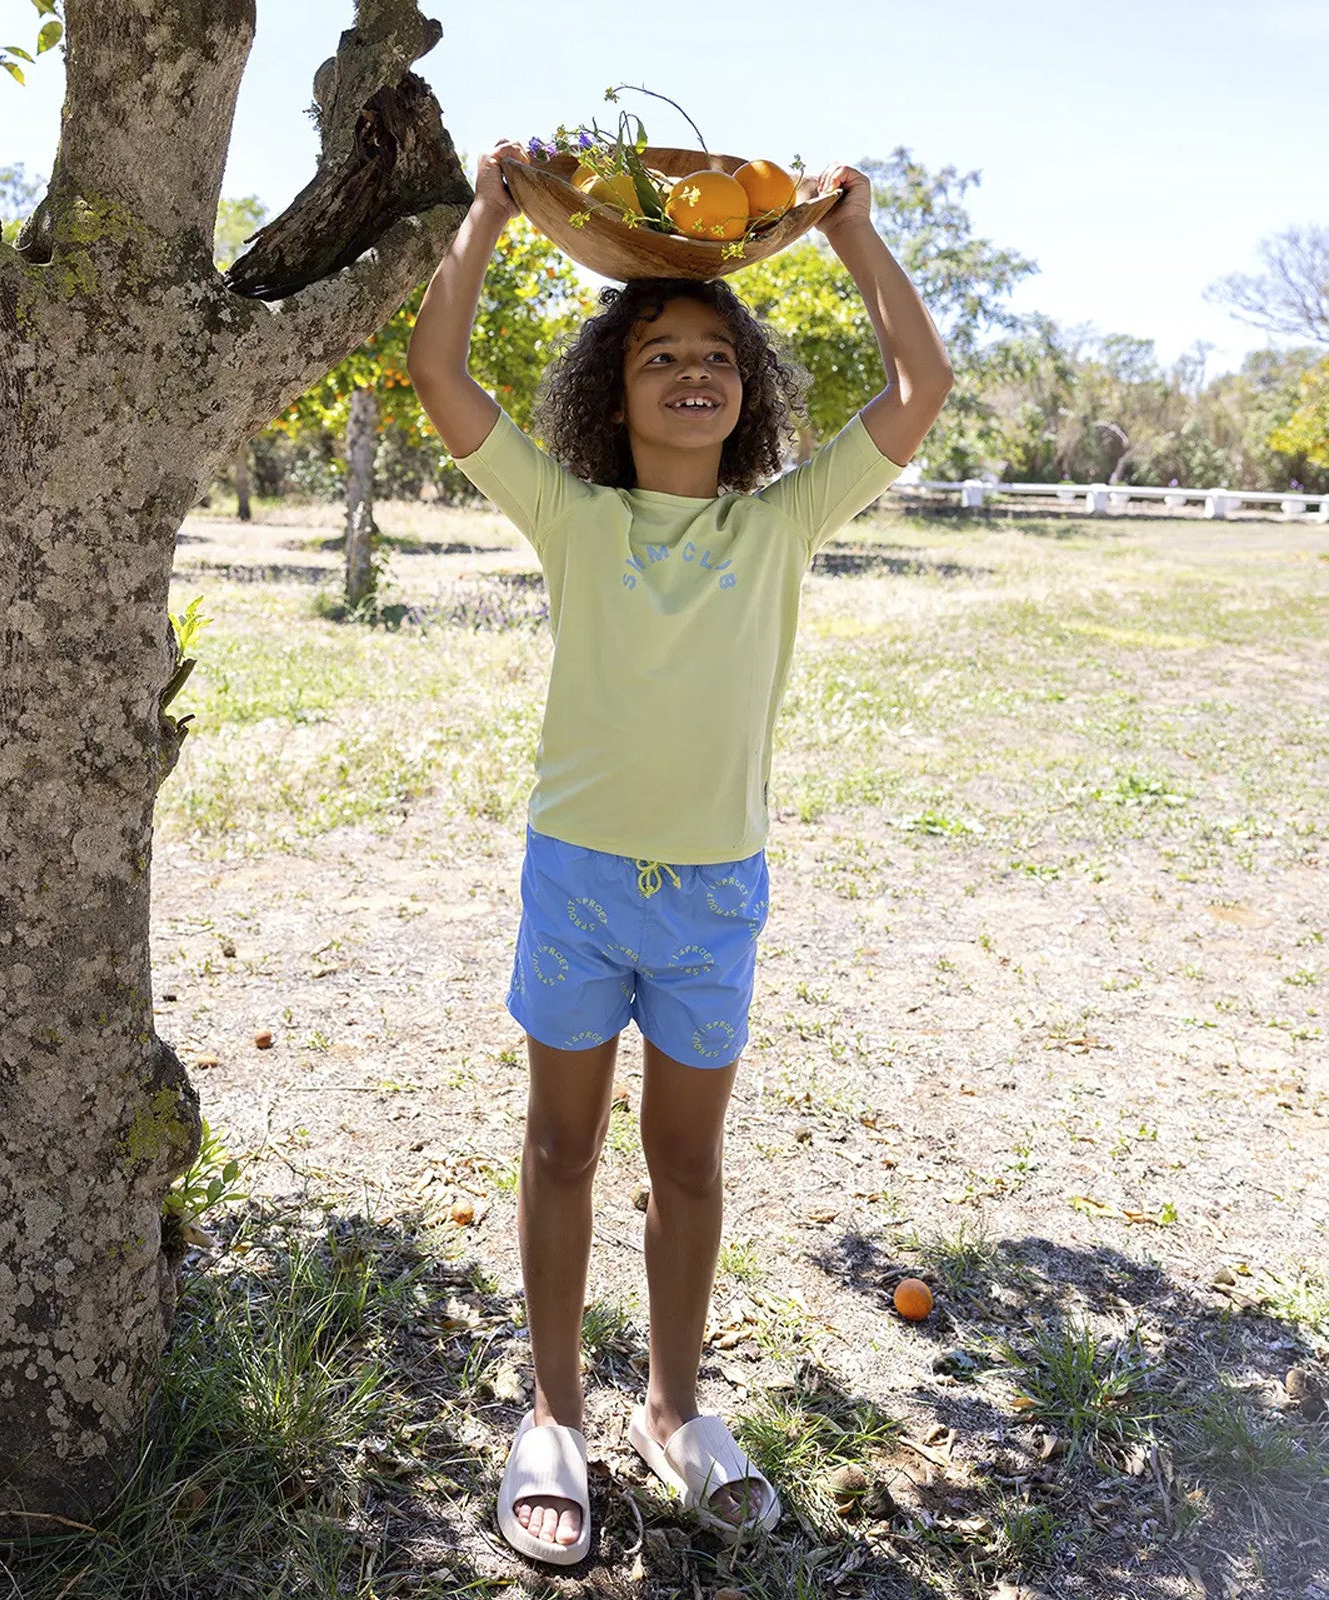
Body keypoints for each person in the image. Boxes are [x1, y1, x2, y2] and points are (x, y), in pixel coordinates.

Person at [407, 142, 952, 1567]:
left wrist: (852, 239)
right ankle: (555, 1415)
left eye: (718, 352)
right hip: (578, 880)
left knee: (688, 1166)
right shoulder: (577, 519)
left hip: (713, 891)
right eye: (662, 354)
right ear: (615, 387)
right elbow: (442, 374)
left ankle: (673, 1407)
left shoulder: (777, 525)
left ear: (751, 391)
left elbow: (920, 393)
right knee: (559, 1144)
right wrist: (483, 212)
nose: (693, 371)